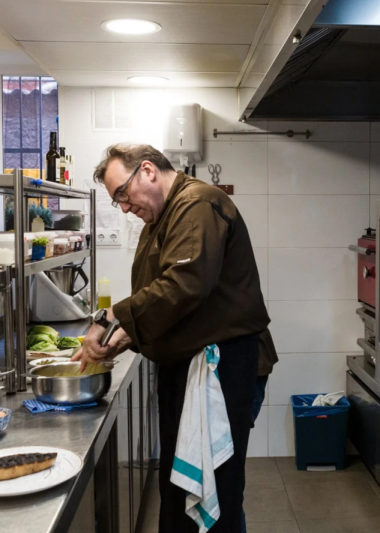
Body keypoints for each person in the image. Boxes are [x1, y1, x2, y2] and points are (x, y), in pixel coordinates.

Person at [75, 143, 276, 533]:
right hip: (196, 368)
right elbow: (168, 299)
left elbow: (184, 285)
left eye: (122, 194)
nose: (123, 207)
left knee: (216, 492)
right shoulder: (162, 219)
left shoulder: (197, 204)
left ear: (147, 170)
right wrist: (128, 337)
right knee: (199, 489)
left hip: (225, 370)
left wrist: (111, 317)